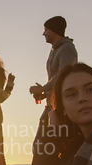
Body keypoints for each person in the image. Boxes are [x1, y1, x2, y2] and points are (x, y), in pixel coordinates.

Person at [29, 16, 78, 144]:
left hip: (62, 108)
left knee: (48, 147)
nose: (43, 33)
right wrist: (44, 94)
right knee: (41, 147)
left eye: (46, 30)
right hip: (51, 105)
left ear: (54, 30)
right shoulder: (54, 50)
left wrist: (43, 88)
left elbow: (64, 75)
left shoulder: (67, 49)